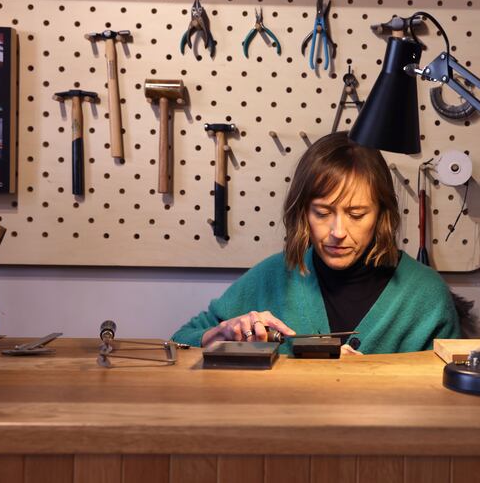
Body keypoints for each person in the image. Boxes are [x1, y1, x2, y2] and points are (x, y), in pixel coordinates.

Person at [172, 132, 460, 354]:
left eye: (356, 214)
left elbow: (450, 403)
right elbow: (179, 342)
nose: (337, 231)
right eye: (322, 213)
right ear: (303, 212)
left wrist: (374, 377)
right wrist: (219, 336)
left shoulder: (426, 296)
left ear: (382, 213)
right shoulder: (273, 278)